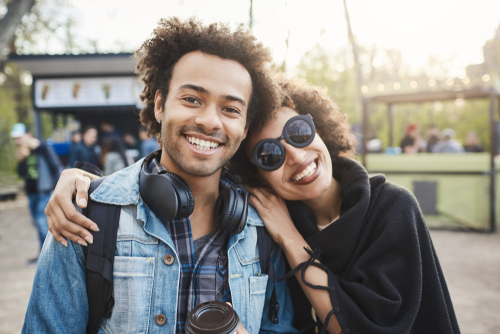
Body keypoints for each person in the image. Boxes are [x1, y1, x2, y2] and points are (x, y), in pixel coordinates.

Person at [46, 76, 461, 334]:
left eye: (298, 132)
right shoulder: (260, 221)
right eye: (269, 155)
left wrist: (289, 237)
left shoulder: (391, 207)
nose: (296, 157)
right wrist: (83, 181)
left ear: (319, 126)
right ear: (255, 175)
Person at [23, 18, 296, 334]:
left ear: (245, 128)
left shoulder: (263, 228)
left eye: (231, 109)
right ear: (159, 105)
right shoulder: (83, 214)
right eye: (192, 99)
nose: (209, 121)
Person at [11, 123, 63, 264]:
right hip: (31, 193)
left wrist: (58, 190)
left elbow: (56, 167)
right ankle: (43, 255)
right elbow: (22, 173)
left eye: (20, 137)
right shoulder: (24, 151)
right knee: (37, 223)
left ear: (28, 135)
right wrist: (21, 160)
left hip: (44, 192)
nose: (18, 141)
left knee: (42, 223)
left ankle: (50, 257)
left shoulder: (43, 148)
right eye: (16, 139)